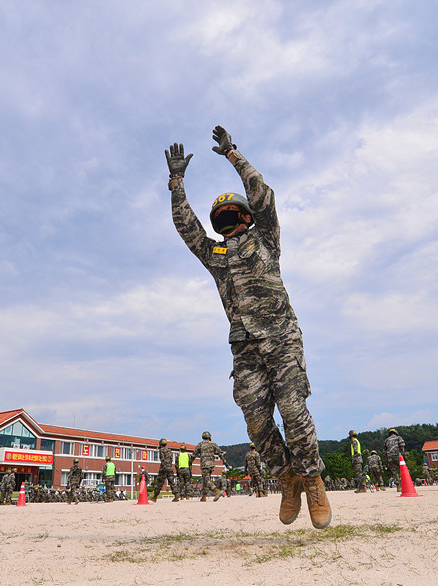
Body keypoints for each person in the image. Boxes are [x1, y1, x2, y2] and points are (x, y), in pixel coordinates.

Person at [167, 126, 330, 529]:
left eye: (231, 214)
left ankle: (312, 479)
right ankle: (287, 478)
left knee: (294, 414)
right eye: (219, 218)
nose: (225, 221)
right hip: (245, 351)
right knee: (256, 423)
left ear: (244, 216)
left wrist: (233, 155)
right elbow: (187, 228)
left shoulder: (266, 238)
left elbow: (262, 194)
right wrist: (176, 183)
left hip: (282, 340)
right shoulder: (216, 253)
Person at [191, 431, 226, 502]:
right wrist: (225, 463)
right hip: (212, 465)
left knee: (206, 480)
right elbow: (220, 454)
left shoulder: (200, 444)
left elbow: (194, 455)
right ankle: (204, 497)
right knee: (206, 480)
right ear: (209, 437)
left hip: (205, 465)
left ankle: (216, 491)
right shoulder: (213, 444)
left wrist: (190, 462)